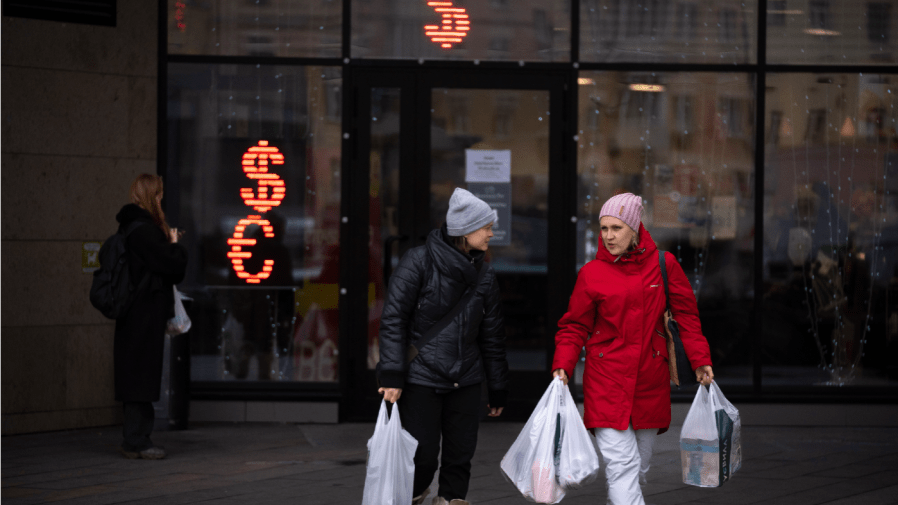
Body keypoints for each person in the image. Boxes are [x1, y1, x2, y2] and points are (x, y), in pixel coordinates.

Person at [551, 193, 713, 505]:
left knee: (638, 465)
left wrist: (700, 359)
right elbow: (574, 326)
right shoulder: (592, 273)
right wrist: (564, 365)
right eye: (603, 228)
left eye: (616, 228)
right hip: (606, 379)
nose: (608, 236)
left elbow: (687, 317)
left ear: (635, 228)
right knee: (622, 465)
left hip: (650, 380)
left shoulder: (664, 265)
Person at [377, 188, 509, 505]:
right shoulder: (417, 262)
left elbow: (492, 335)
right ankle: (413, 495)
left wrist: (497, 387)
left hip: (466, 377)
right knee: (422, 457)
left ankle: (451, 501)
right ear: (464, 230)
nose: (492, 233)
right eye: (487, 227)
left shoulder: (485, 275)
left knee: (459, 457)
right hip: (422, 377)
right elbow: (393, 319)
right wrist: (392, 374)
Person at [114, 174, 188, 459]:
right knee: (141, 375)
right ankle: (137, 440)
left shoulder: (130, 228)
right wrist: (173, 244)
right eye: (158, 195)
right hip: (143, 313)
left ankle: (135, 438)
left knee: (136, 373)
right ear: (150, 197)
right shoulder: (145, 232)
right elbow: (170, 265)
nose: (161, 200)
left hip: (135, 312)